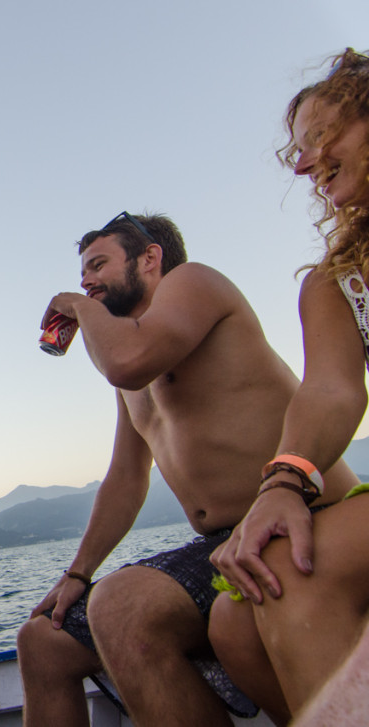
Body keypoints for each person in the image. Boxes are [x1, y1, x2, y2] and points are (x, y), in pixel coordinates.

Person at [16, 212, 357, 727]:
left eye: (98, 265)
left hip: (306, 510)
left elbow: (125, 359)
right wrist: (77, 573)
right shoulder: (130, 361)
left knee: (123, 605)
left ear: (150, 258)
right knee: (43, 640)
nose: (86, 281)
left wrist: (76, 306)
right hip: (219, 544)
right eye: (83, 274)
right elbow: (127, 479)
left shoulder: (193, 283)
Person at [209, 47, 369, 724]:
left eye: (317, 139)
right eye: (298, 152)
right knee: (237, 614)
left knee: (303, 572)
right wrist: (282, 484)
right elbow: (332, 391)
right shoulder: (337, 282)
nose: (303, 164)